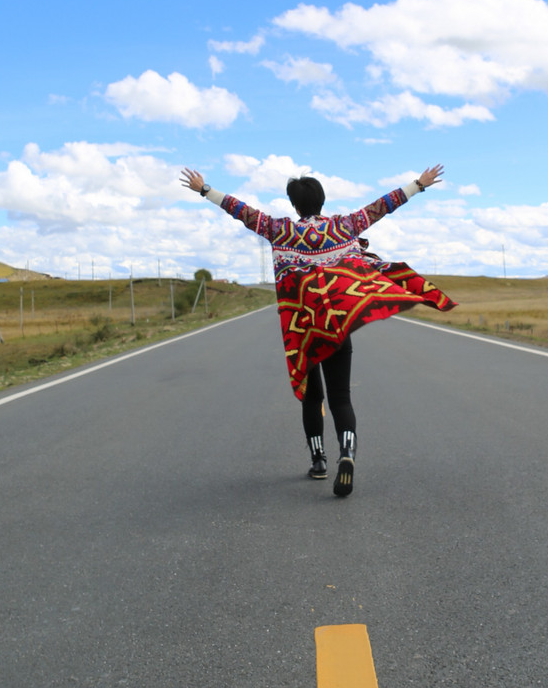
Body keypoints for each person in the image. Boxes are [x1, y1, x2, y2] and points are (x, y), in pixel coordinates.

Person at [180, 164, 455, 497]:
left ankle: (319, 460)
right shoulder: (345, 226)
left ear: (295, 206)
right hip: (338, 327)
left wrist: (204, 189)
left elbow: (241, 211)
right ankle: (347, 453)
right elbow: (383, 205)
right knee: (341, 397)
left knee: (313, 399)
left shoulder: (279, 230)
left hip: (303, 331)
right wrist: (418, 184)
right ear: (322, 201)